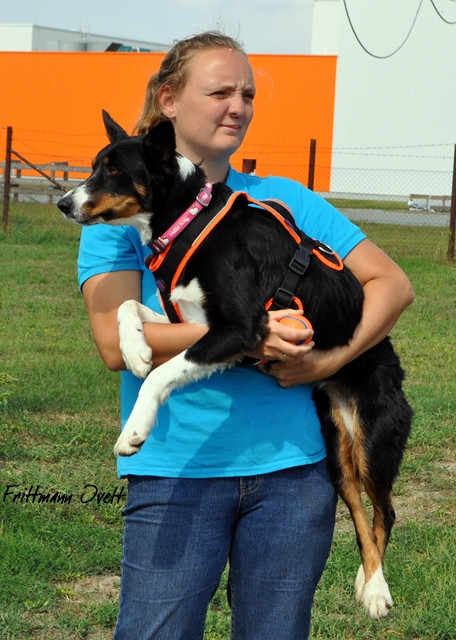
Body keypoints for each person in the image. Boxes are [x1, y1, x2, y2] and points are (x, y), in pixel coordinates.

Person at [77, 31, 414, 640]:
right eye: (220, 91)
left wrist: (324, 362)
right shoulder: (119, 213)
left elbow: (392, 285)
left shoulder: (282, 201)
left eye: (248, 94)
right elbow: (111, 343)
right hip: (176, 469)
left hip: (293, 475)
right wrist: (246, 336)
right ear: (169, 100)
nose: (238, 106)